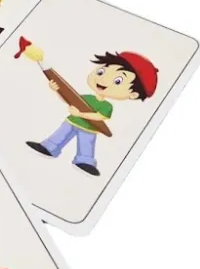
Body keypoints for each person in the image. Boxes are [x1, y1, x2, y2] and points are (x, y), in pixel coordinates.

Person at [26, 51, 159, 176]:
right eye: (101, 72)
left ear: (133, 94)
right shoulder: (87, 98)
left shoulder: (106, 106)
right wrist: (56, 90)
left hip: (89, 128)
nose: (103, 80)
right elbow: (69, 99)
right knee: (60, 135)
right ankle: (48, 147)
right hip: (71, 121)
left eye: (117, 81)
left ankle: (85, 162)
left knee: (86, 144)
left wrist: (80, 114)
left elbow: (99, 117)